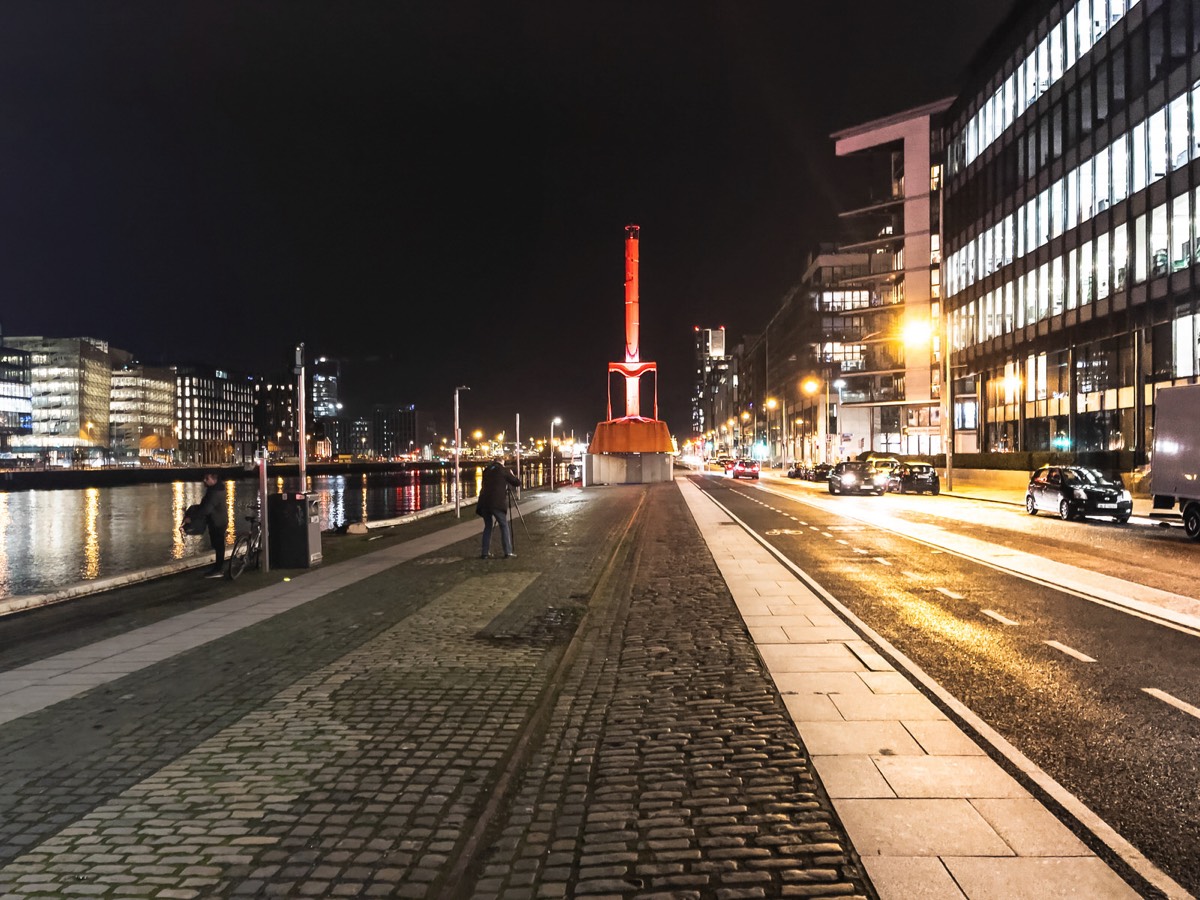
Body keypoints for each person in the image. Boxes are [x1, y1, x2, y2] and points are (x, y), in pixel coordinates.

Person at [181, 472, 229, 577]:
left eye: (207, 478)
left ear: (214, 480)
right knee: (218, 545)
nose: (204, 480)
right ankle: (218, 568)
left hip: (217, 522)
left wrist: (191, 518)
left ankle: (218, 570)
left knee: (218, 545)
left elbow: (206, 509)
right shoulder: (217, 489)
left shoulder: (214, 493)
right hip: (219, 520)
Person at [476, 457, 521, 559]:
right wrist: (512, 474)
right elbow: (517, 482)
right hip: (497, 502)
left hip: (483, 502)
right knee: (504, 525)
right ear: (502, 462)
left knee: (488, 526)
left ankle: (485, 553)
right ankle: (508, 552)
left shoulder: (486, 470)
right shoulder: (504, 470)